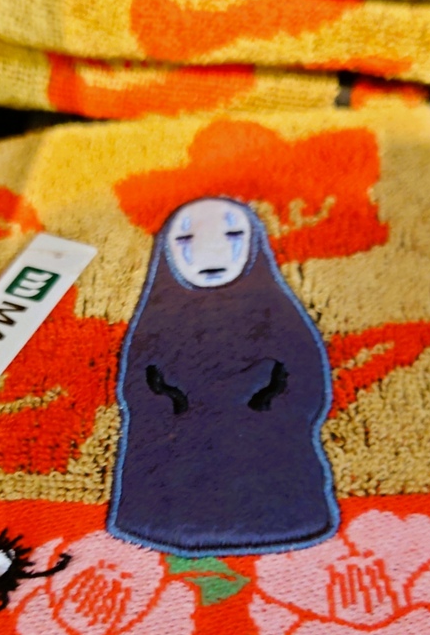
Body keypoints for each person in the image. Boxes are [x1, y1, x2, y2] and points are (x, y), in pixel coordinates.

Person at [108, 196, 339, 556]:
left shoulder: (277, 317)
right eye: (185, 239)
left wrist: (267, 404)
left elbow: (304, 379)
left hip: (267, 445)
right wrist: (173, 405)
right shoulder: (156, 320)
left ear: (254, 244)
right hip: (177, 457)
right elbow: (139, 386)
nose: (210, 252)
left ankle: (276, 515)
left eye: (233, 234)